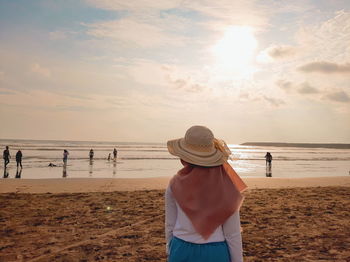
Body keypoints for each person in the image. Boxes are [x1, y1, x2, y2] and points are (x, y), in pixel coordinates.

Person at [165, 125, 247, 262]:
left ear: (183, 158)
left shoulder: (174, 184)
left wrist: (170, 250)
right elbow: (232, 234)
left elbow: (170, 225)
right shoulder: (226, 186)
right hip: (214, 252)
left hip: (181, 249)